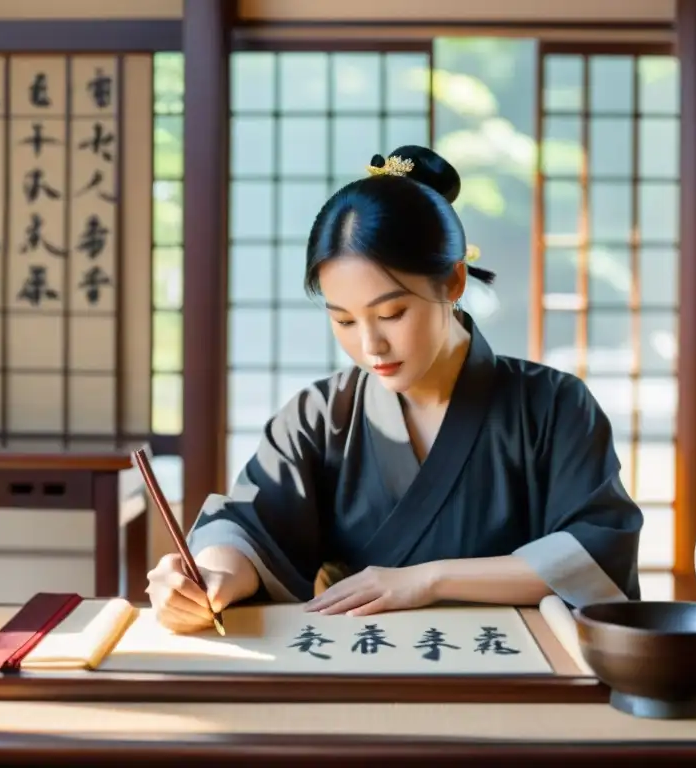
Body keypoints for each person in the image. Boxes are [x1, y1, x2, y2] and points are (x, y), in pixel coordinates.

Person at [146, 145, 644, 634]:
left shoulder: (554, 405)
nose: (370, 345)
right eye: (343, 320)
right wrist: (210, 577)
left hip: (517, 672)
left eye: (391, 314)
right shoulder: (318, 416)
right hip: (361, 668)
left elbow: (595, 553)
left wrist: (427, 580)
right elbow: (252, 527)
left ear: (452, 282)